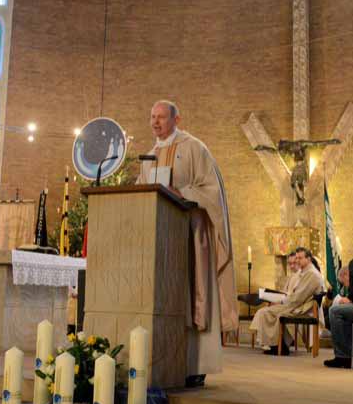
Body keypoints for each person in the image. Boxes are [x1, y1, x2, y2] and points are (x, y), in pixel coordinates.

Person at [136, 100, 236, 386]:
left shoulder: (194, 148)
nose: (155, 122)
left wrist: (181, 192)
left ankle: (195, 364)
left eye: (161, 117)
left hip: (191, 235)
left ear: (176, 119)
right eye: (152, 117)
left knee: (195, 295)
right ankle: (164, 361)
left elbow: (212, 191)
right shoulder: (150, 155)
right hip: (161, 239)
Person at [250, 247, 323, 354]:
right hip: (297, 305)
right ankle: (276, 344)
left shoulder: (311, 274)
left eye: (300, 258)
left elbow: (298, 297)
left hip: (302, 308)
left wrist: (281, 302)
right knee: (266, 311)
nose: (297, 261)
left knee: (267, 312)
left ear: (308, 259)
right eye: (297, 258)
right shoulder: (306, 272)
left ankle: (279, 345)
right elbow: (296, 295)